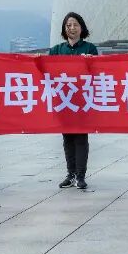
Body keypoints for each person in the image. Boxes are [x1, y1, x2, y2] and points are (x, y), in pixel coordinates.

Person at [48, 12, 98, 190]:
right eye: (68, 25)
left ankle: (81, 175)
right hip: (64, 100)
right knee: (67, 138)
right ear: (64, 29)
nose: (72, 28)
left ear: (81, 27)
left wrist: (90, 62)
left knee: (81, 137)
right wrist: (38, 61)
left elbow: (98, 73)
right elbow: (47, 73)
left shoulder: (90, 48)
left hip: (82, 101)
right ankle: (70, 174)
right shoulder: (56, 50)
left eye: (75, 24)